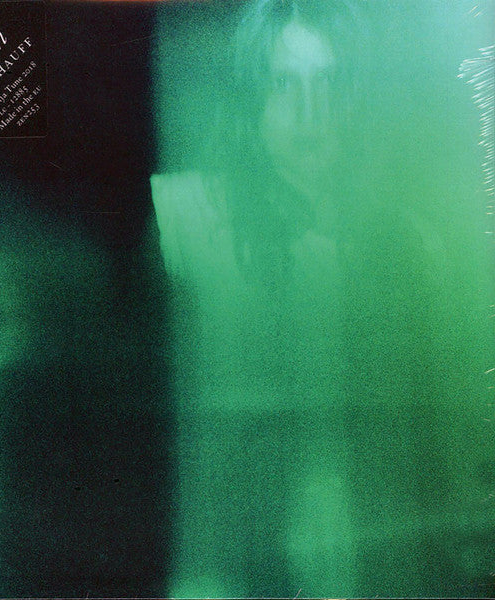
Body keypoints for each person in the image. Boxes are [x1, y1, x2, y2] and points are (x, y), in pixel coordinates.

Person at [150, 0, 494, 596]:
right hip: (228, 565)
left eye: (329, 83)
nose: (311, 112)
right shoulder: (183, 218)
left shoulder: (413, 247)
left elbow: (442, 444)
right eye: (285, 84)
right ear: (252, 97)